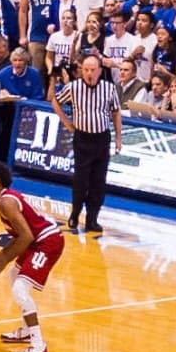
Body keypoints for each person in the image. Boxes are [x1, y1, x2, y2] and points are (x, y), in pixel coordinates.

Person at [0, 158, 64, 352]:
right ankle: (26, 330)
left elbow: (26, 236)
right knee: (14, 277)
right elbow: (23, 235)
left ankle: (38, 347)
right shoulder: (5, 199)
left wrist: (5, 259)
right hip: (38, 239)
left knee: (20, 289)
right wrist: (3, 252)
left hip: (48, 242)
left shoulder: (6, 202)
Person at [56, 53, 122, 237]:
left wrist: (118, 138)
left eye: (93, 70)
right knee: (80, 180)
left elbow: (116, 113)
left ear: (100, 71)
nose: (89, 73)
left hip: (102, 139)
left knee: (98, 181)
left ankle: (92, 218)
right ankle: (75, 213)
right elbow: (55, 101)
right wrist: (67, 123)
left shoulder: (109, 88)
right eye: (85, 70)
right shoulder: (74, 87)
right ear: (81, 70)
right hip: (82, 138)